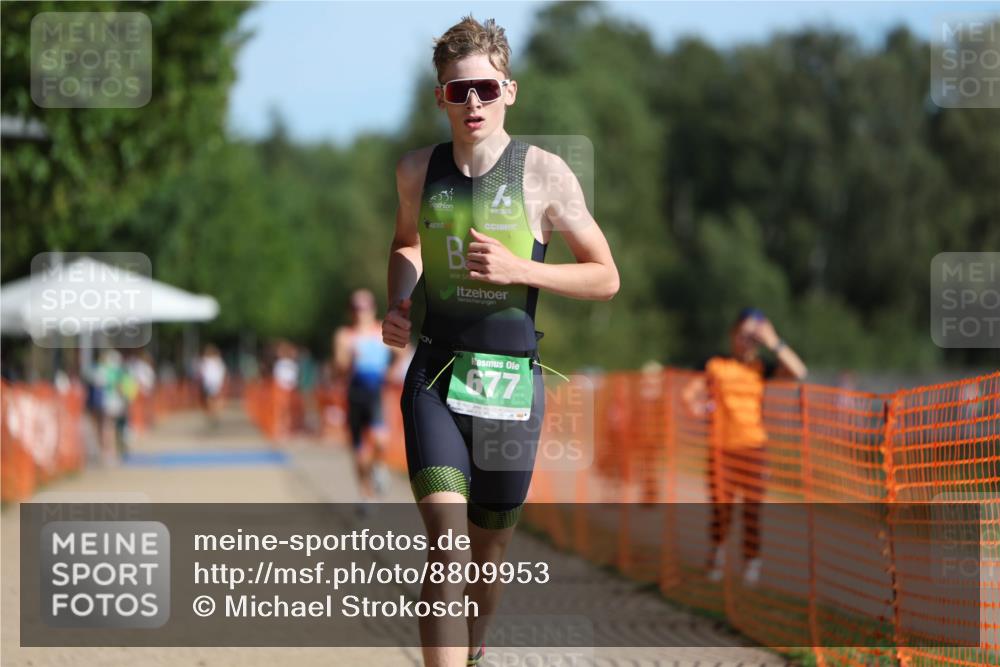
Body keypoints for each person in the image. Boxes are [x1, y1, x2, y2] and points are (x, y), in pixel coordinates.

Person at [382, 15, 620, 667]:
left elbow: (606, 276)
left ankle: (475, 646)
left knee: (487, 554)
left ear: (509, 91)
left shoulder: (545, 175)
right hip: (435, 377)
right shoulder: (416, 171)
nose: (474, 102)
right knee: (448, 546)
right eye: (459, 91)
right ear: (441, 97)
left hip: (512, 386)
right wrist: (398, 301)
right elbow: (407, 244)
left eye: (486, 88)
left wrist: (522, 269)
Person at [682, 308, 807, 586]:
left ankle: (751, 563)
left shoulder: (761, 368)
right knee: (721, 508)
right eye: (743, 334)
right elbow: (688, 395)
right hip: (721, 448)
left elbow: (799, 372)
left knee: (752, 510)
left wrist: (773, 340)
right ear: (733, 334)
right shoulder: (715, 364)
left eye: (753, 337)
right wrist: (699, 409)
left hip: (753, 447)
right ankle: (716, 556)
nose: (747, 341)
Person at [333, 289, 411, 512]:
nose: (361, 313)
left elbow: (403, 352)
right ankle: (365, 494)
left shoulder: (381, 332)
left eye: (365, 308)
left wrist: (392, 371)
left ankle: (378, 467)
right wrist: (349, 360)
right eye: (356, 308)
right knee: (358, 450)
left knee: (380, 441)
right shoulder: (345, 335)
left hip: (376, 393)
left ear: (372, 309)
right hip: (355, 394)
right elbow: (339, 368)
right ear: (351, 311)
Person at [197, 344, 227, 427]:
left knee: (209, 398)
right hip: (216, 383)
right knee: (215, 398)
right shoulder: (219, 361)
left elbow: (201, 372)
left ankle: (212, 413)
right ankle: (215, 412)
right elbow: (223, 372)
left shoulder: (205, 361)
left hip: (208, 382)